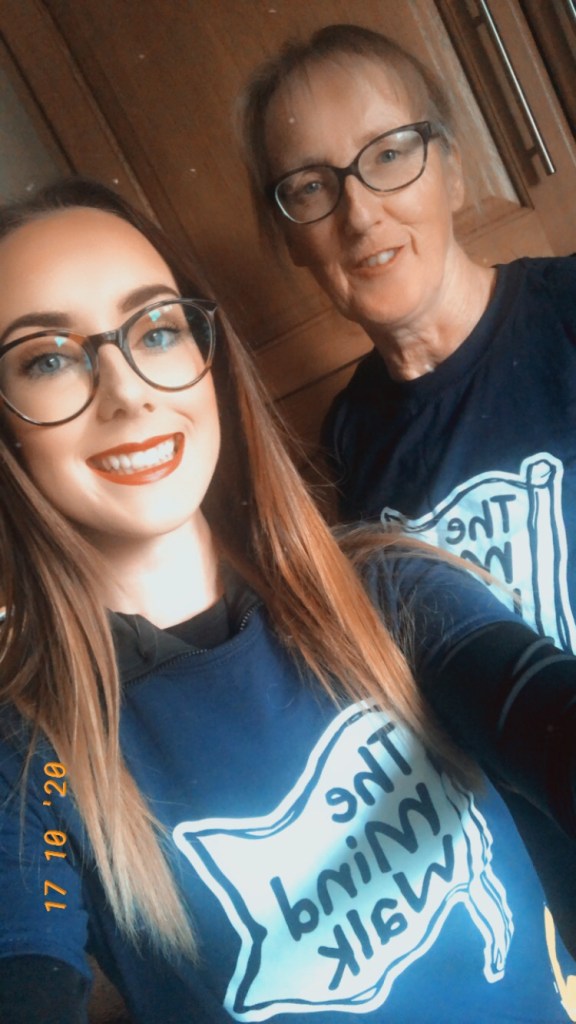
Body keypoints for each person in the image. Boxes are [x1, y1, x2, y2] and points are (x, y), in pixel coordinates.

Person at [0, 179, 576, 1024]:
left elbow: (546, 713)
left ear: (209, 359)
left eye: (156, 330)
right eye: (47, 359)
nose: (127, 393)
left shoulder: (389, 591)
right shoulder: (30, 760)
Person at [238, 22, 576, 655]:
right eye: (310, 186)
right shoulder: (351, 436)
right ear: (291, 239)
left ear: (453, 172)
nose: (360, 214)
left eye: (388, 154)